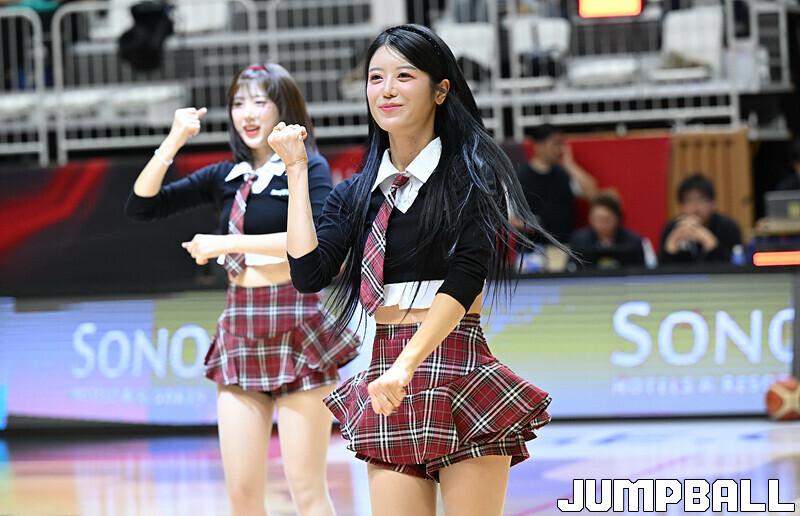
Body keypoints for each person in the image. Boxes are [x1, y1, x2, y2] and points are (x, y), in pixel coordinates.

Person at [270, 24, 553, 516]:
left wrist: (406, 366)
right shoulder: (356, 193)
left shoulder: (471, 176)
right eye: (375, 78)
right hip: (385, 369)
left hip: (457, 366)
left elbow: (466, 278)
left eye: (404, 76)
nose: (386, 90)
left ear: (440, 90)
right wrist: (296, 171)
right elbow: (308, 273)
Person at [125, 64, 359, 516]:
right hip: (240, 325)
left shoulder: (307, 167)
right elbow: (142, 205)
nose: (247, 113)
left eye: (259, 101)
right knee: (242, 496)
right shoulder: (226, 175)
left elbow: (308, 242)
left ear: (283, 108)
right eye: (238, 103)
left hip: (297, 323)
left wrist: (225, 244)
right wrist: (173, 140)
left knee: (307, 491)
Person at [514, 123, 598, 243]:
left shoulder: (564, 174)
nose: (559, 150)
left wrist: (570, 165)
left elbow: (593, 194)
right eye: (555, 144)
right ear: (538, 146)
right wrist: (529, 225)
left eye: (561, 144)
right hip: (532, 247)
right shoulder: (519, 176)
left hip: (564, 245)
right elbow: (509, 217)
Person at [659, 173, 742, 265]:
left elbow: (735, 266)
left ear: (713, 203)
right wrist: (672, 243)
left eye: (701, 200)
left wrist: (709, 242)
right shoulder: (672, 228)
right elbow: (660, 268)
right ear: (681, 206)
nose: (695, 207)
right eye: (689, 200)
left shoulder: (728, 227)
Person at [569, 193, 645, 269]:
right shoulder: (579, 240)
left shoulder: (633, 241)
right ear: (590, 218)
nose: (602, 224)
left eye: (607, 219)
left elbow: (642, 270)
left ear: (617, 218)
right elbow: (571, 268)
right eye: (598, 219)